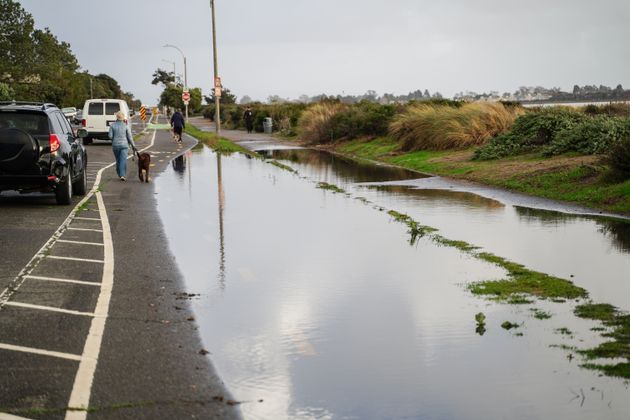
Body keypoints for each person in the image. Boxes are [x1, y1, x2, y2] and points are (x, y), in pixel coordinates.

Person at [108, 110, 137, 181]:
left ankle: (119, 173)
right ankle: (122, 175)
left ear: (117, 117)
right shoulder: (126, 126)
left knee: (118, 160)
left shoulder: (112, 125)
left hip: (115, 146)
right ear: (123, 118)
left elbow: (110, 136)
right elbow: (130, 137)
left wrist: (114, 138)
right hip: (124, 145)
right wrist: (133, 146)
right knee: (123, 160)